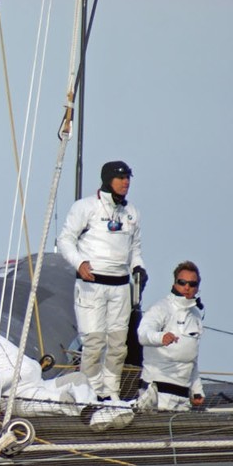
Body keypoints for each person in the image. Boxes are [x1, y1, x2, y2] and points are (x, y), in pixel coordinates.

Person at [57, 160, 147, 402]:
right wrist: (79, 263)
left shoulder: (132, 213)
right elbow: (65, 239)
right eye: (120, 177)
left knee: (118, 346)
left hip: (120, 286)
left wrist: (139, 267)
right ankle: (90, 394)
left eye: (128, 177)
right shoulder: (85, 207)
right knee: (94, 344)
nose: (126, 182)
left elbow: (134, 248)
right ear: (108, 179)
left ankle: (111, 393)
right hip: (92, 284)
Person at [0, 298, 99, 417]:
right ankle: (98, 417)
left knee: (78, 379)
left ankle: (96, 413)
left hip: (38, 384)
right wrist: (17, 374)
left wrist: (33, 366)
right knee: (68, 401)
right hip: (18, 395)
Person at [137, 261, 206, 411]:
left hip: (182, 398)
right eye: (182, 282)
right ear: (175, 283)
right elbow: (142, 334)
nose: (187, 287)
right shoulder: (161, 308)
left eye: (192, 284)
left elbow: (191, 358)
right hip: (157, 396)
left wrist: (197, 390)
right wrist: (160, 337)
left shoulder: (195, 316)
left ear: (197, 288)